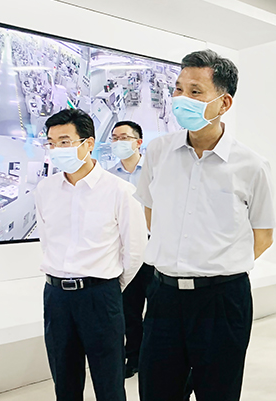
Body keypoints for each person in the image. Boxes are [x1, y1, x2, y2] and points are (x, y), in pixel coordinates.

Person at [134, 49, 276, 401]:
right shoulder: (158, 152)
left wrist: (217, 264)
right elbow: (151, 214)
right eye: (179, 89)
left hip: (222, 301)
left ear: (224, 103)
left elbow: (263, 236)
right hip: (164, 297)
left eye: (195, 91)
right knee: (156, 392)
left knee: (218, 393)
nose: (181, 98)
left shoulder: (251, 165)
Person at [35, 108, 147, 401]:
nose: (57, 149)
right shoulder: (45, 189)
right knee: (64, 380)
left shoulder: (120, 191)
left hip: (100, 295)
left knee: (108, 381)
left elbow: (135, 250)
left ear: (88, 143)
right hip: (56, 297)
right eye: (51, 143)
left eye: (65, 141)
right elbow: (47, 241)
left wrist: (109, 286)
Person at [106, 120, 155, 379]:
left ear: (138, 142)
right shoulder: (108, 177)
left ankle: (153, 357)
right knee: (130, 310)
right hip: (125, 251)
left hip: (154, 250)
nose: (118, 142)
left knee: (157, 309)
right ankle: (133, 357)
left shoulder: (154, 172)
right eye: (114, 138)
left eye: (124, 137)